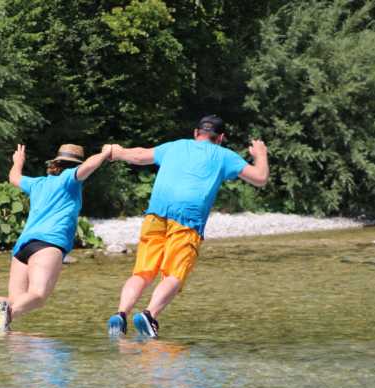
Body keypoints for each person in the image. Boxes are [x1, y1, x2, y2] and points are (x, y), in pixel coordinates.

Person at [107, 115, 269, 338]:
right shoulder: (224, 155)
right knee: (174, 274)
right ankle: (150, 315)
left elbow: (139, 155)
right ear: (220, 138)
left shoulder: (175, 146)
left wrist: (116, 152)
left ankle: (120, 314)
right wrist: (260, 155)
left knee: (143, 272)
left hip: (155, 214)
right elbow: (260, 178)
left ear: (196, 133)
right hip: (187, 219)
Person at [0, 143, 111, 332]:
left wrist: (18, 161)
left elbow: (14, 178)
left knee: (15, 299)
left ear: (56, 163)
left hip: (23, 247)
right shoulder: (70, 179)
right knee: (38, 295)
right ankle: (7, 315)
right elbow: (89, 166)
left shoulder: (37, 183)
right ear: (74, 165)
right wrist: (104, 153)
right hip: (49, 244)